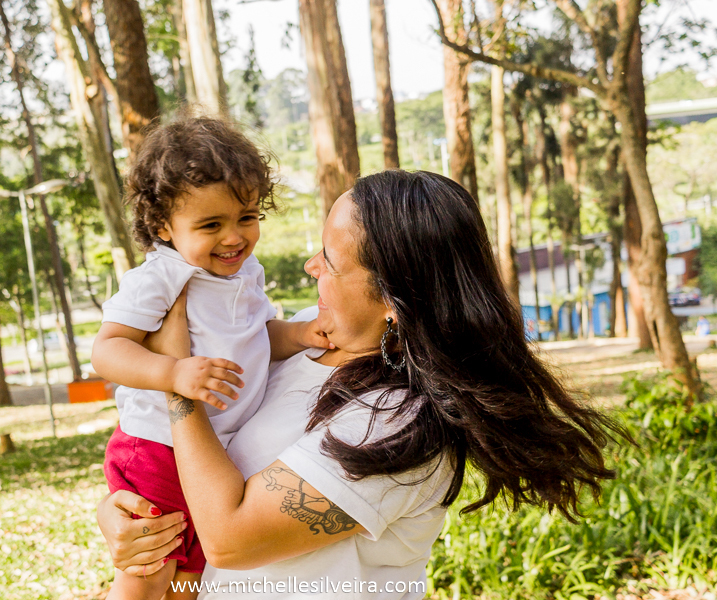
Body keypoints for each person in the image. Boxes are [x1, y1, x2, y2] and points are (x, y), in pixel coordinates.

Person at [97, 170, 625, 599]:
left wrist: (177, 380)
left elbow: (229, 540)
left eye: (330, 259)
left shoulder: (398, 419)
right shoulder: (300, 335)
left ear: (393, 299)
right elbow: (197, 458)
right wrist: (127, 516)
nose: (310, 266)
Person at [90, 117, 331, 600]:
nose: (233, 237)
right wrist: (173, 371)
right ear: (163, 226)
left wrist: (298, 333)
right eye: (210, 225)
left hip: (212, 454)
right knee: (148, 571)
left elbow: (256, 337)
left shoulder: (245, 271)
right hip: (158, 445)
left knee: (192, 581)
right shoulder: (162, 277)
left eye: (246, 217)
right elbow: (107, 350)